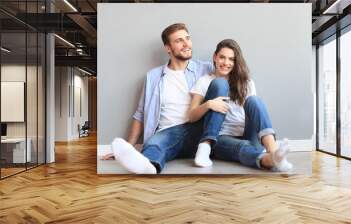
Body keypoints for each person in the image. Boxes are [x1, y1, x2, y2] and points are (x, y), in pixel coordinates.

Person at [102, 23, 228, 174]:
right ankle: (150, 167)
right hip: (167, 133)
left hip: (199, 130)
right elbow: (140, 113)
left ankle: (205, 147)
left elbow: (231, 83)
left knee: (220, 84)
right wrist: (129, 146)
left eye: (188, 38)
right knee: (154, 144)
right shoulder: (153, 77)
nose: (186, 44)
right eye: (179, 40)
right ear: (168, 48)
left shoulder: (207, 69)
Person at [188, 39, 292, 171]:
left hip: (249, 135)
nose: (226, 63)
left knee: (255, 100)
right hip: (221, 139)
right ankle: (270, 160)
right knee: (219, 83)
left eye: (231, 59)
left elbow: (254, 112)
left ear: (236, 62)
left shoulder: (247, 83)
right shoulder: (204, 81)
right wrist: (209, 104)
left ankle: (274, 152)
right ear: (215, 57)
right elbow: (191, 116)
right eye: (222, 57)